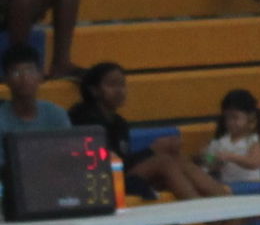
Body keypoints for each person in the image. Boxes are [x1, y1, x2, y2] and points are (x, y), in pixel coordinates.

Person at [68, 62, 227, 201]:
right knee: (164, 162)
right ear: (94, 90)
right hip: (95, 182)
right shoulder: (83, 118)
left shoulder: (119, 122)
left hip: (119, 175)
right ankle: (204, 216)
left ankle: (227, 207)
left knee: (176, 158)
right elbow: (105, 163)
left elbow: (123, 161)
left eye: (122, 85)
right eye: (112, 85)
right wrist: (151, 150)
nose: (120, 90)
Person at [203, 87, 260, 185]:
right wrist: (210, 158)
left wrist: (232, 157)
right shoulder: (221, 142)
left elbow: (255, 162)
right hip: (229, 187)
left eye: (235, 117)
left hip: (251, 188)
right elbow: (208, 161)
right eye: (227, 117)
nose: (230, 122)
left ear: (250, 118)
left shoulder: (252, 140)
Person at [0, 43, 71, 135]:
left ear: (40, 76)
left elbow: (67, 147)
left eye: (30, 71)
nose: (24, 78)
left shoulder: (56, 114)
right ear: (6, 79)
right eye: (16, 73)